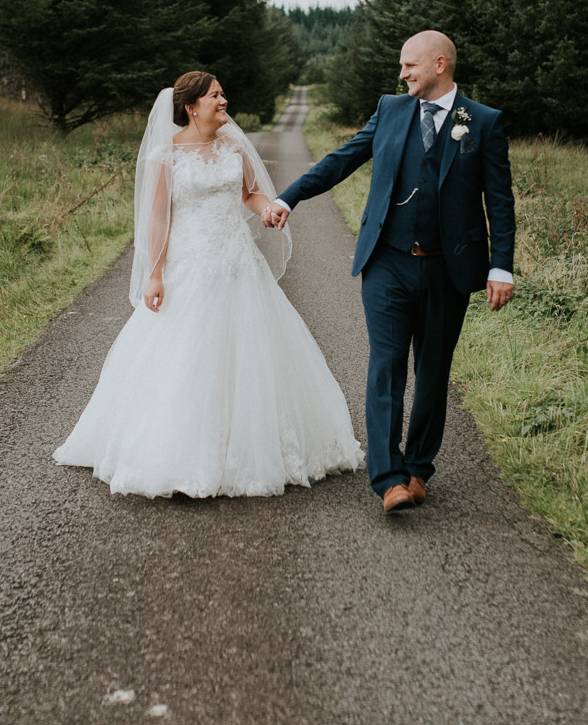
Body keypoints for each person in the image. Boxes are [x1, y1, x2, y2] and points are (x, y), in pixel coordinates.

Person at [54, 72, 363, 497]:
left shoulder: (234, 145)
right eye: (215, 95)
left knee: (253, 355)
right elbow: (158, 218)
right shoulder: (166, 154)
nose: (224, 100)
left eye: (221, 93)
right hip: (191, 265)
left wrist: (269, 209)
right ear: (191, 106)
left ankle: (256, 446)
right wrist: (155, 273)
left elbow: (250, 193)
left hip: (238, 263)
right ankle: (179, 452)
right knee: (185, 359)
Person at [266, 30, 515, 513]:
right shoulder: (391, 109)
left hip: (449, 268)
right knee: (386, 364)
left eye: (410, 66)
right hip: (387, 261)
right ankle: (388, 477)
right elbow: (343, 159)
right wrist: (288, 196)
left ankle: (420, 467)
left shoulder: (482, 122)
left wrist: (501, 265)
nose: (402, 75)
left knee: (434, 371)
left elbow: (499, 203)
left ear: (440, 64)